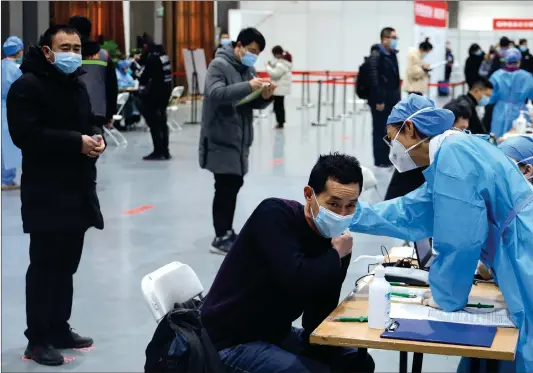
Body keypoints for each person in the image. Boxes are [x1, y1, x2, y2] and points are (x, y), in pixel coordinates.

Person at [348, 94, 533, 373]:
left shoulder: (453, 155)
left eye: (391, 137)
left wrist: (446, 296)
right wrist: (351, 214)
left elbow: (461, 239)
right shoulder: (450, 152)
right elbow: (411, 211)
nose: (392, 147)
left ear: (409, 128)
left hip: (523, 248)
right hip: (515, 245)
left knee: (525, 344)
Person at [201, 153, 375, 373]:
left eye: (351, 206)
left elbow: (317, 316)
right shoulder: (274, 215)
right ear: (309, 195)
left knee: (356, 361)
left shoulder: (334, 243)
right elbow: (296, 278)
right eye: (333, 204)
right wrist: (335, 256)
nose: (342, 215)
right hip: (231, 340)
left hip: (274, 333)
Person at [6, 24, 105, 366]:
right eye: (65, 47)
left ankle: (60, 328)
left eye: (77, 48)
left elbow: (88, 122)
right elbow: (26, 135)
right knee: (45, 267)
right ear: (47, 52)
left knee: (67, 264)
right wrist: (76, 142)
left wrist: (95, 138)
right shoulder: (26, 87)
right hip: (46, 193)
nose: (73, 54)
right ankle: (38, 339)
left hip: (77, 190)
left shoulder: (76, 84)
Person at [199, 27, 275, 255]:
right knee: (224, 187)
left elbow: (247, 101)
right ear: (238, 46)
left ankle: (228, 231)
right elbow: (215, 94)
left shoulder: (247, 68)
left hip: (239, 138)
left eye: (257, 53)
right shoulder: (218, 65)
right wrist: (248, 86)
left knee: (234, 185)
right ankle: (220, 236)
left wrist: (264, 97)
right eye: (251, 50)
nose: (253, 55)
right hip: (221, 138)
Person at [67, 16, 118, 131]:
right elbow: (112, 86)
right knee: (95, 146)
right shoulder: (103, 55)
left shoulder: (65, 56)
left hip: (69, 113)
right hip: (97, 112)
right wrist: (110, 113)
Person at [368, 27, 401, 168]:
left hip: (391, 100)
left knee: (388, 129)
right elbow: (374, 80)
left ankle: (387, 157)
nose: (395, 41)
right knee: (379, 129)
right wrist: (379, 100)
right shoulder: (376, 55)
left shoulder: (392, 54)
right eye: (393, 38)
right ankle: (380, 160)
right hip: (380, 101)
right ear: (385, 39)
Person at [137, 33, 173, 160]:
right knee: (163, 122)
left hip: (155, 95)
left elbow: (143, 76)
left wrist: (137, 64)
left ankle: (158, 150)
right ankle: (165, 150)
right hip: (166, 93)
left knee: (154, 123)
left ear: (145, 46)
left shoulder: (152, 58)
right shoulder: (163, 55)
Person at [489, 48, 533, 137]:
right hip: (521, 112)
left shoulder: (496, 76)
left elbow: (490, 98)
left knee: (497, 139)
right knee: (519, 138)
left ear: (505, 61)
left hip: (500, 112)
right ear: (519, 61)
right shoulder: (527, 77)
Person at [2, 36, 24, 191]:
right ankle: (7, 180)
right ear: (18, 52)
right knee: (11, 145)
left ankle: (5, 178)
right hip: (12, 109)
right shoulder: (17, 70)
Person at [266, 45, 293, 129]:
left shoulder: (281, 64)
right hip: (281, 88)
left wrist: (268, 67)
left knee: (278, 106)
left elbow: (274, 74)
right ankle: (280, 122)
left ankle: (280, 123)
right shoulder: (283, 63)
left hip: (279, 89)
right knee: (279, 105)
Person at [116, 59, 141, 129]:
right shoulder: (117, 74)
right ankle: (125, 121)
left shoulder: (127, 74)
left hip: (127, 93)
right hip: (119, 94)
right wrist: (126, 85)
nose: (127, 69)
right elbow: (118, 84)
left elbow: (132, 82)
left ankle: (131, 119)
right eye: (126, 67)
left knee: (133, 100)